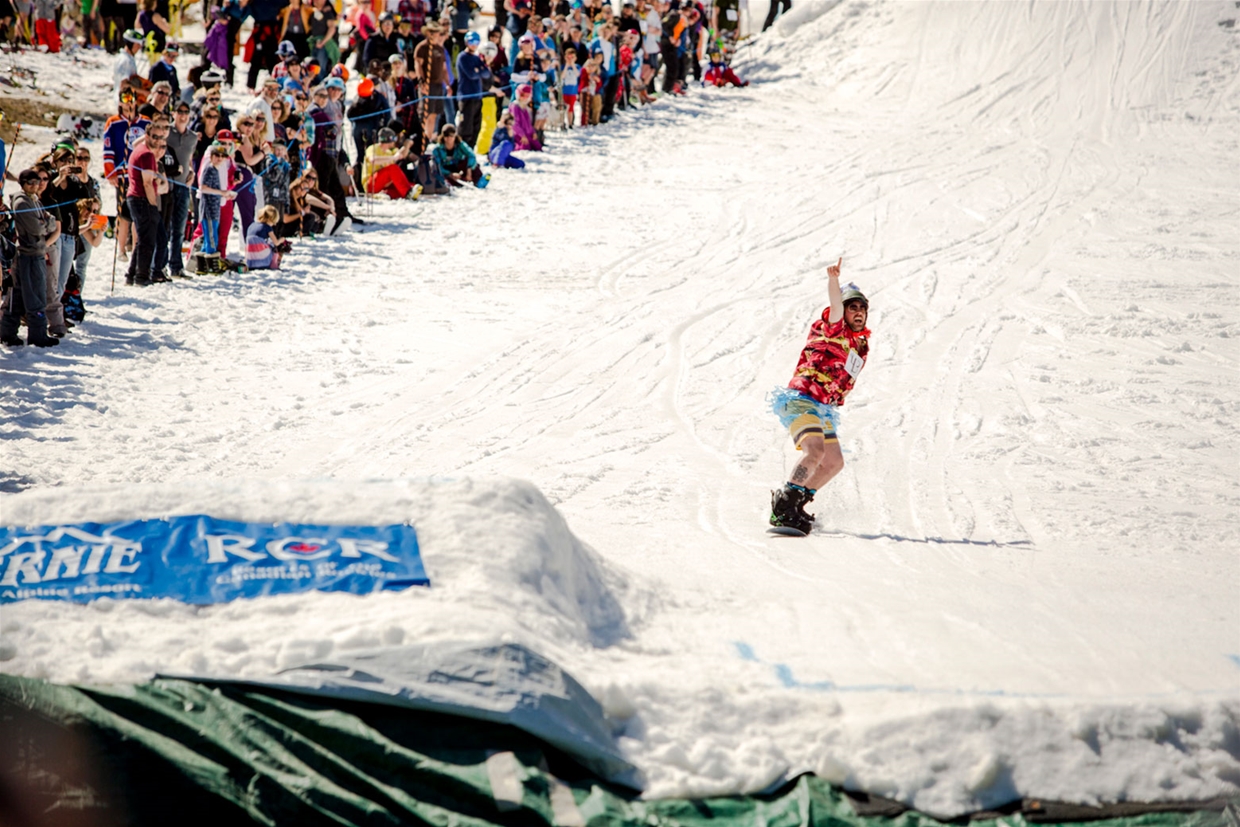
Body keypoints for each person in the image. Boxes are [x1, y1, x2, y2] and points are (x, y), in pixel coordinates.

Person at [768, 259, 871, 535]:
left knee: (833, 461)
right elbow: (835, 306)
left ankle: (798, 502)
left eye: (863, 308)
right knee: (815, 451)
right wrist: (834, 281)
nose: (858, 312)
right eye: (853, 307)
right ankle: (783, 506)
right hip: (802, 399)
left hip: (822, 408)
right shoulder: (834, 327)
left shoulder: (859, 345)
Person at [1, 170, 59, 348]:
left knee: (17, 295)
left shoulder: (33, 199)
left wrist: (46, 222)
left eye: (37, 182)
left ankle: (6, 332)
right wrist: (45, 223)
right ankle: (37, 334)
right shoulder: (21, 202)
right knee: (35, 295)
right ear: (22, 183)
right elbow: (38, 228)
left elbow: (50, 221)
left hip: (36, 253)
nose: (35, 185)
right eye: (30, 183)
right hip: (29, 255)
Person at [164, 100, 197, 278]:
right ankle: (160, 265)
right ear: (174, 113)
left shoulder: (193, 137)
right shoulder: (167, 132)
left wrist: (191, 170)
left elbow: (189, 158)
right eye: (180, 111)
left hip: (184, 185)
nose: (183, 115)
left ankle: (176, 266)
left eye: (186, 112)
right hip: (167, 185)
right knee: (165, 227)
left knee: (180, 228)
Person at [196, 143, 236, 269]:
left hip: (215, 209)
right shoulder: (209, 169)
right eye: (216, 155)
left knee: (210, 237)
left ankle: (202, 266)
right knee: (211, 238)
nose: (219, 158)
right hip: (208, 210)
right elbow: (203, 187)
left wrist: (225, 195)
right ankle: (212, 265)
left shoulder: (217, 170)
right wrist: (221, 193)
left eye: (222, 156)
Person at [412, 21, 447, 147]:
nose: (436, 35)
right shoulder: (422, 48)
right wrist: (422, 82)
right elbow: (418, 65)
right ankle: (421, 138)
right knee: (425, 114)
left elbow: (443, 68)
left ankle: (429, 137)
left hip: (438, 85)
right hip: (428, 84)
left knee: (434, 114)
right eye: (434, 32)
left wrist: (447, 84)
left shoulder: (439, 48)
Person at [455, 30, 490, 148]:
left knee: (476, 126)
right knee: (466, 127)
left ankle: (470, 152)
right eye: (471, 41)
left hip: (477, 96)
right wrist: (479, 70)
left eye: (476, 41)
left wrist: (479, 70)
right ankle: (461, 151)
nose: (474, 44)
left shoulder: (476, 58)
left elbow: (486, 73)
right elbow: (471, 74)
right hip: (466, 96)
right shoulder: (462, 57)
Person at [361, 127, 417, 199]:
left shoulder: (388, 152)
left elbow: (401, 155)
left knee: (406, 186)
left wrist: (407, 144)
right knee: (392, 168)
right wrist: (393, 158)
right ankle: (408, 193)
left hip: (382, 183)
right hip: (370, 183)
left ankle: (382, 194)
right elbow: (373, 160)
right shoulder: (373, 148)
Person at [245, 204, 287, 269]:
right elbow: (276, 242)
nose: (274, 224)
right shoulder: (267, 227)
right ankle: (274, 265)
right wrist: (281, 240)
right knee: (273, 247)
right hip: (262, 260)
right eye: (274, 222)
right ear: (270, 219)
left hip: (250, 260)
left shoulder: (251, 225)